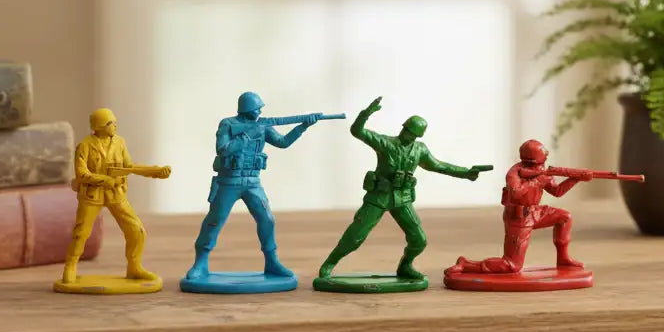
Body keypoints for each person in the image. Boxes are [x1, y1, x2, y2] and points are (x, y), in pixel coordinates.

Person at [319, 96, 491, 281]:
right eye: (406, 129)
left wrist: (465, 172)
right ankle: (330, 263)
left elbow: (439, 166)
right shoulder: (386, 143)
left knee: (419, 239)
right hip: (379, 196)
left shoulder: (420, 150)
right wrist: (365, 115)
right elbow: (357, 131)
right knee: (356, 236)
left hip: (402, 198)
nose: (406, 134)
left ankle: (406, 266)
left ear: (417, 136)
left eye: (411, 132)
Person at [186, 91, 321, 279]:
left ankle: (272, 262)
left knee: (267, 219)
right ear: (247, 109)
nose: (259, 111)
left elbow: (283, 143)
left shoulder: (262, 126)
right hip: (228, 181)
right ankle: (200, 263)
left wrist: (303, 126)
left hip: (252, 182)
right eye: (257, 108)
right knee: (214, 221)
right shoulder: (228, 124)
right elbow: (223, 149)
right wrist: (248, 136)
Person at [62, 107, 170, 286]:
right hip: (92, 195)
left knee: (136, 229)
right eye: (110, 123)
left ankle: (134, 266)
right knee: (81, 233)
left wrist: (155, 171)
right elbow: (81, 174)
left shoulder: (119, 143)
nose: (115, 125)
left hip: (116, 194)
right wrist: (104, 180)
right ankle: (71, 265)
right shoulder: (85, 146)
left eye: (114, 122)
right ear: (99, 126)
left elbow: (130, 166)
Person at [446, 139, 589, 274]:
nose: (545, 160)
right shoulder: (514, 173)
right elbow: (516, 194)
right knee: (512, 265)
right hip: (519, 217)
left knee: (564, 217)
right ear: (532, 160)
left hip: (535, 211)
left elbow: (557, 192)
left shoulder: (540, 170)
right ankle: (466, 264)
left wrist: (575, 178)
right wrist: (537, 181)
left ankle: (563, 259)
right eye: (543, 158)